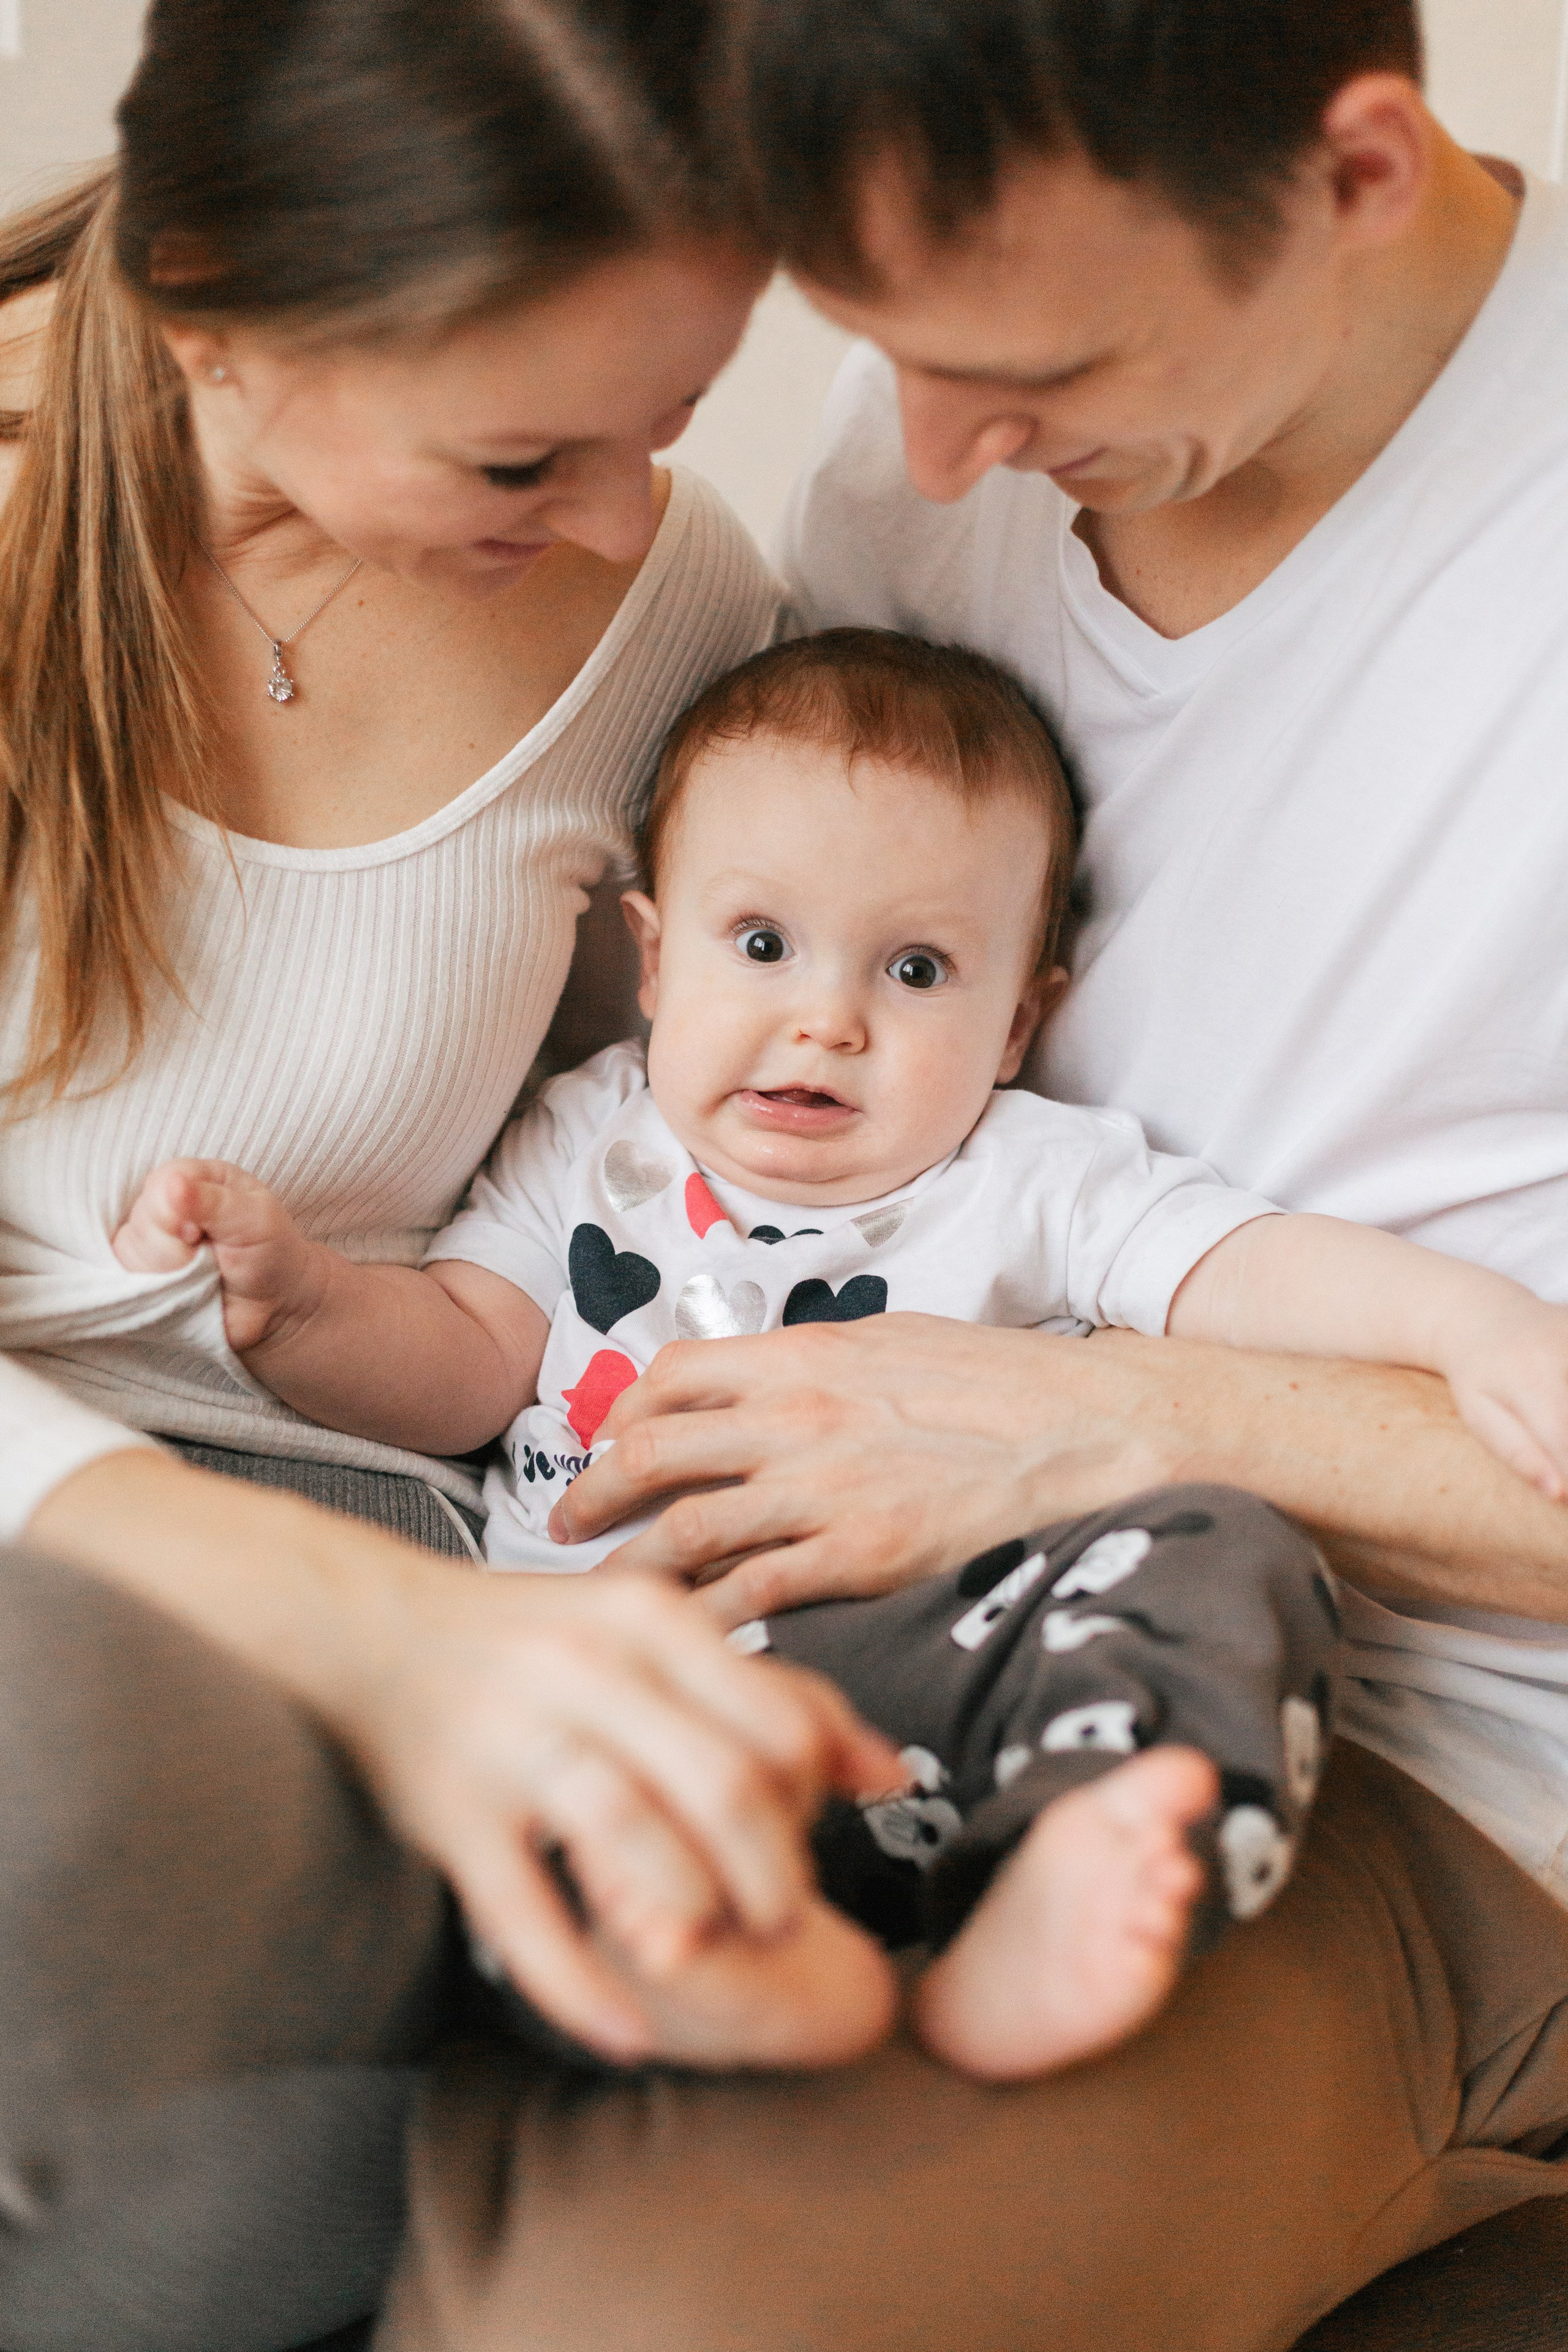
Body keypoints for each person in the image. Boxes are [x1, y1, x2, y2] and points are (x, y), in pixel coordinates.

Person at [388, 6, 1568, 2350]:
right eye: (881, 351)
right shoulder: (937, 456)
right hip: (832, 1610)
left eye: (1032, 363)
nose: (933, 456)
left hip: (1428, 1753)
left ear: (1354, 168)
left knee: (644, 2320)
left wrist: (1137, 1421)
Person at [111, 622, 1568, 2095]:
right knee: (478, 1808)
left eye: (918, 969)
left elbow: (1247, 1267)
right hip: (623, 1684)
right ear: (652, 958)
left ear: (1017, 1022)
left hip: (926, 1685)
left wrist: (1471, 1324)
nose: (827, 1019)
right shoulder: (588, 1142)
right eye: (760, 946)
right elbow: (468, 1361)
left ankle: (1059, 1861)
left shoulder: (1024, 1175)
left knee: (1221, 1539)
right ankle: (732, 1970)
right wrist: (299, 1305)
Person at [0, 4, 911, 2347]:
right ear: (214, 315)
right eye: (525, 448)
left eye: (674, 419)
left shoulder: (677, 604)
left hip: (373, 1480)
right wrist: (383, 1652)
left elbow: (655, 1144)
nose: (629, 520)